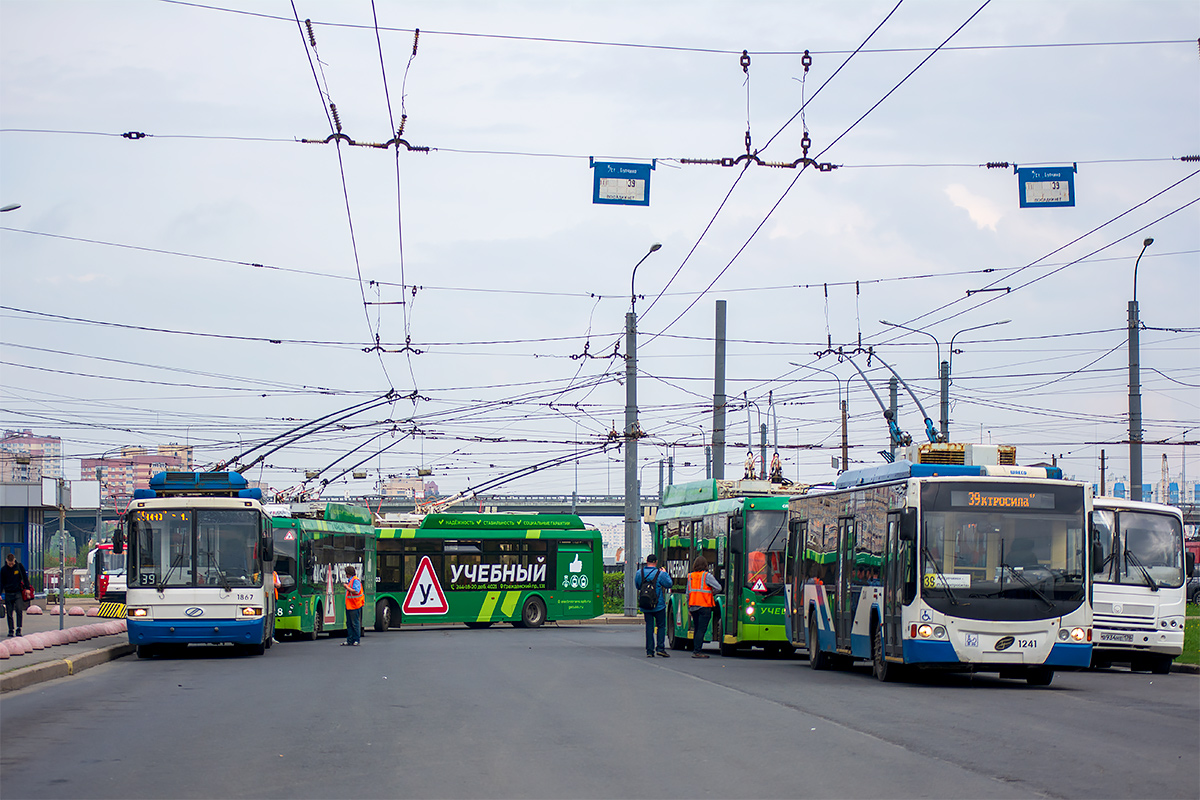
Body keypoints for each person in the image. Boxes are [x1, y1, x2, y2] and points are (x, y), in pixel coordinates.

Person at [634, 554, 674, 658]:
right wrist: (665, 573)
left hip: (646, 604)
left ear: (647, 561)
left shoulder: (640, 573)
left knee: (649, 627)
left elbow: (638, 586)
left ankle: (649, 651)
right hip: (658, 605)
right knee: (661, 626)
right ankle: (660, 648)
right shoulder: (660, 574)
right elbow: (669, 584)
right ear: (655, 562)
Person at [687, 556, 722, 658]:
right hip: (704, 606)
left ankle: (696, 650)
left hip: (693, 606)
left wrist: (689, 607)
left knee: (697, 629)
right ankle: (697, 651)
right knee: (701, 630)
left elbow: (687, 593)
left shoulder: (690, 576)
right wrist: (711, 593)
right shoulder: (707, 576)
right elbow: (719, 587)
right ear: (705, 565)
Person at [2, 552, 31, 638]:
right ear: (6, 561)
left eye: (12, 563)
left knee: (19, 609)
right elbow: (1, 582)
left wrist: (27, 588)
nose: (11, 565)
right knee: (9, 612)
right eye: (9, 563)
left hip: (17, 592)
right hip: (8, 593)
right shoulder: (3, 570)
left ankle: (19, 628)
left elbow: (24, 578)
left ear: (14, 560)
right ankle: (11, 629)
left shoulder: (19, 567)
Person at [342, 565, 364, 646]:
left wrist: (347, 587)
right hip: (350, 605)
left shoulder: (355, 581)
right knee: (349, 623)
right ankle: (350, 640)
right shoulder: (351, 580)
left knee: (355, 623)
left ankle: (356, 640)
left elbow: (356, 591)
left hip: (355, 606)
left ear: (348, 573)